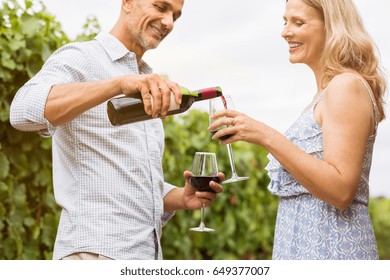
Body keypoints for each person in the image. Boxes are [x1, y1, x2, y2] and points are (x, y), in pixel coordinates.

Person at [10, 0, 223, 260]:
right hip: (94, 254)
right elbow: (22, 110)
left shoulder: (146, 81)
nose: (168, 22)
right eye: (160, 6)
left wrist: (181, 197)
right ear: (128, 2)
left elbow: (128, 181)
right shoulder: (83, 57)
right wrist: (117, 85)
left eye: (175, 16)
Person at [209, 0, 386, 260]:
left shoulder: (345, 86)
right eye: (285, 21)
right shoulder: (324, 94)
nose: (285, 32)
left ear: (332, 27)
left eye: (298, 22)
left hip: (330, 249)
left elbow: (340, 190)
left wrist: (266, 136)